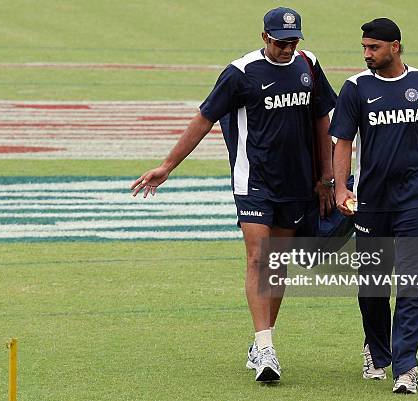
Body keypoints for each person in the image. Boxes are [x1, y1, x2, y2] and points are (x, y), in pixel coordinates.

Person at [131, 6, 337, 383]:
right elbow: (204, 118)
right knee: (259, 258)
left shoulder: (309, 63)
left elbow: (324, 117)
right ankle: (266, 349)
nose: (287, 48)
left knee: (278, 265)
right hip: (253, 181)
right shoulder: (240, 73)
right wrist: (167, 166)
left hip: (297, 183)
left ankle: (261, 341)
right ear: (264, 38)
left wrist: (327, 175)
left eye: (293, 41)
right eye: (280, 42)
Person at [330, 18, 418, 394]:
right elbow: (342, 143)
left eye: (374, 48)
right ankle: (377, 351)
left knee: (413, 283)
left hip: (414, 201)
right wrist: (340, 189)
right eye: (364, 48)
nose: (367, 54)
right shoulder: (355, 88)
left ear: (395, 46)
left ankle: (406, 366)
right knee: (371, 287)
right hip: (370, 202)